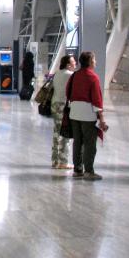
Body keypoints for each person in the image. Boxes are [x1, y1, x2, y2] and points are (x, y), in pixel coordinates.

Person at [66, 51, 108, 181]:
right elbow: (96, 99)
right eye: (94, 59)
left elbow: (68, 92)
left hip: (74, 113)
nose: (95, 62)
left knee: (77, 141)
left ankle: (77, 169)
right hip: (88, 114)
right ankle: (89, 171)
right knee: (89, 143)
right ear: (90, 62)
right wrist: (101, 118)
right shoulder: (92, 77)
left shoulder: (74, 76)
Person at [51, 55, 76, 169]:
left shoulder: (57, 73)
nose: (75, 63)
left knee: (57, 133)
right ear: (68, 64)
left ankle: (55, 160)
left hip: (54, 104)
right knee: (64, 134)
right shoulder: (70, 75)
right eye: (73, 62)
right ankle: (63, 162)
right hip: (63, 106)